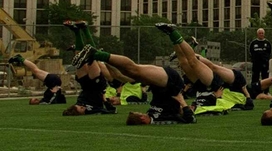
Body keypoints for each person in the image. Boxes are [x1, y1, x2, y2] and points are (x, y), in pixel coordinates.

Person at [73, 23, 220, 125]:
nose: (139, 112)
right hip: (173, 84)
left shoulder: (152, 113)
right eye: (138, 114)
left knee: (126, 74)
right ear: (142, 119)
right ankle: (172, 32)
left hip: (162, 85)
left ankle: (97, 55)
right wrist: (181, 101)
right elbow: (191, 119)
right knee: (189, 62)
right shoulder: (169, 116)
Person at [249, 28, 272, 96]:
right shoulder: (253, 43)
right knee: (255, 77)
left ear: (264, 34)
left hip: (264, 63)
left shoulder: (267, 43)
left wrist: (265, 59)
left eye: (262, 33)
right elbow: (251, 52)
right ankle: (254, 92)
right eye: (260, 33)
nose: (261, 34)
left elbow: (269, 52)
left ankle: (266, 92)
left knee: (265, 77)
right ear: (257, 34)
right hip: (256, 63)